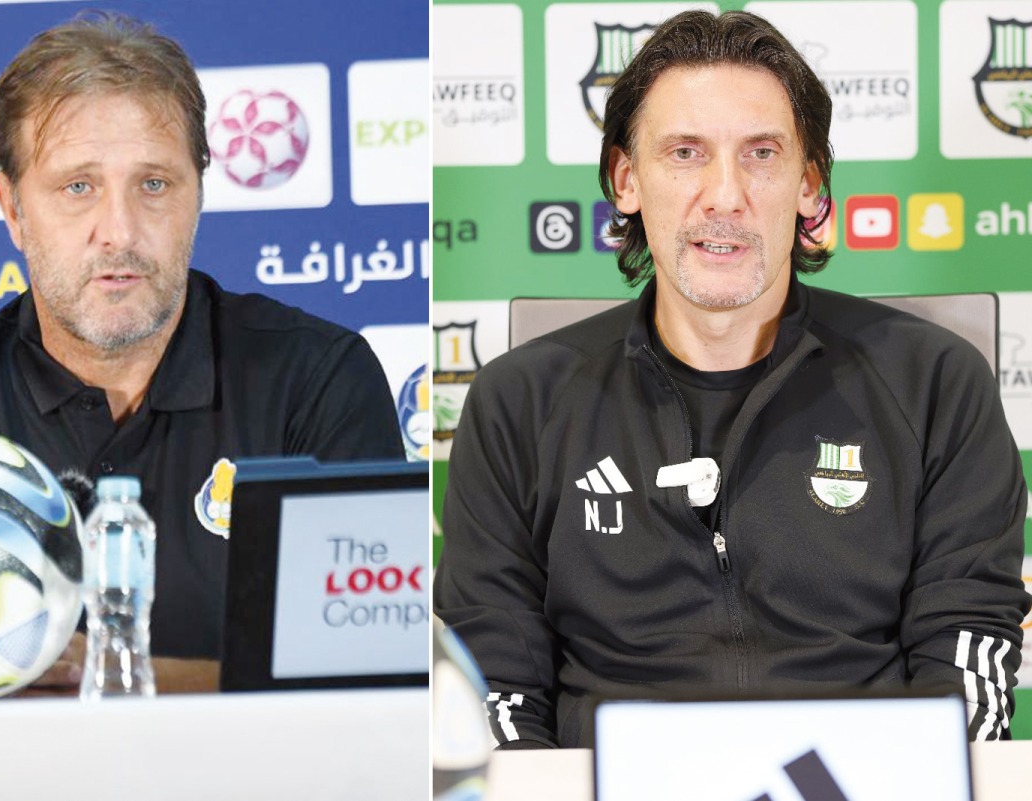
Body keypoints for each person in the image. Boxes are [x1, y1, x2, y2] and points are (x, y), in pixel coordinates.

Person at [433, 9, 1029, 746]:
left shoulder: (936, 385)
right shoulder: (516, 405)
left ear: (810, 186)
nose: (724, 195)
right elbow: (493, 689)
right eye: (685, 152)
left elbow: (964, 663)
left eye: (761, 154)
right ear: (626, 179)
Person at [0, 12, 404, 702]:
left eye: (154, 184)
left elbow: (367, 679)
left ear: (198, 195)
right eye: (78, 187)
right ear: (13, 209)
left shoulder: (318, 378)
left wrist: (88, 675)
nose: (121, 231)